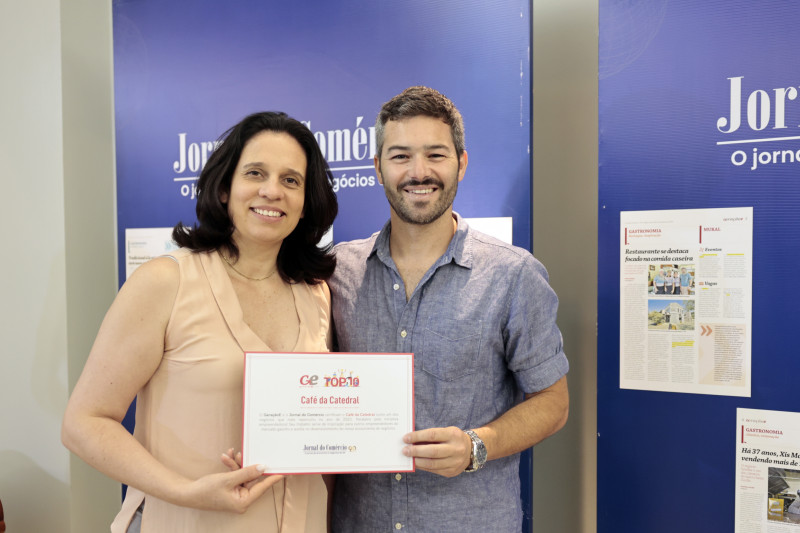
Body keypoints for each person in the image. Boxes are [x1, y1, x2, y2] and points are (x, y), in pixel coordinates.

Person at [61, 111, 338, 533]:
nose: (272, 191)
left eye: (291, 180)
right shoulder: (165, 281)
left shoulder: (316, 291)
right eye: (255, 173)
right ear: (225, 188)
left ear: (306, 202)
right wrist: (184, 491)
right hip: (184, 520)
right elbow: (84, 423)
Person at [328, 86, 569, 532]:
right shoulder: (337, 272)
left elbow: (553, 402)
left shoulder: (514, 275)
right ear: (377, 168)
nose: (418, 172)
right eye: (400, 156)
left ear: (461, 162)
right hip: (360, 522)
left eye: (435, 155)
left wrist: (477, 445)